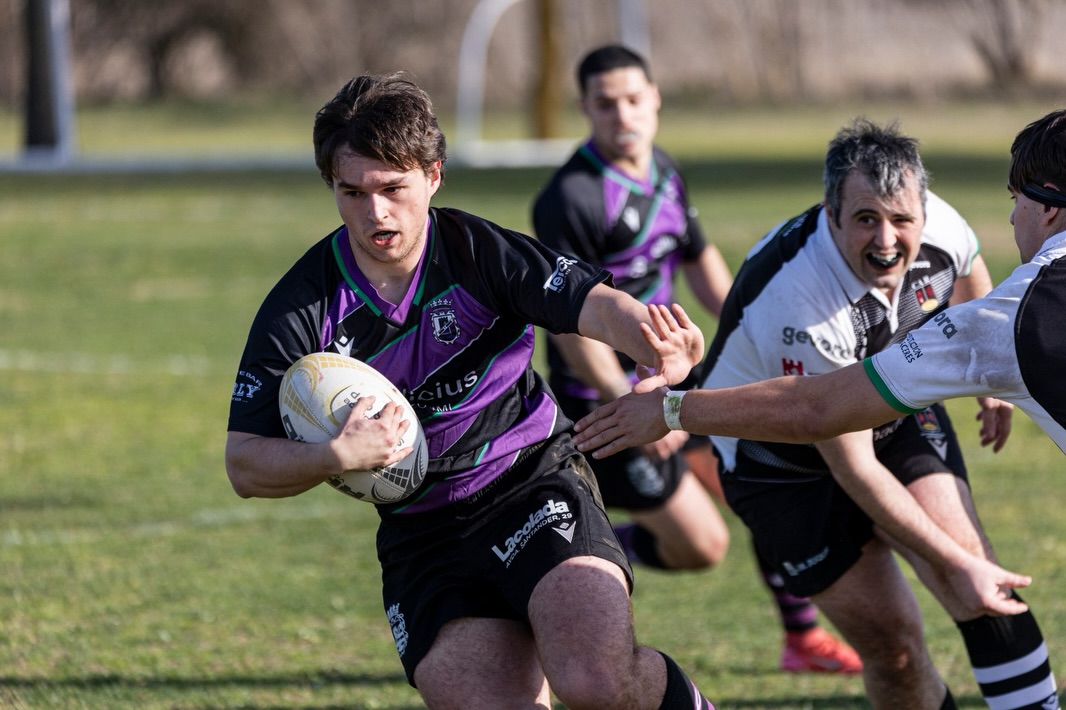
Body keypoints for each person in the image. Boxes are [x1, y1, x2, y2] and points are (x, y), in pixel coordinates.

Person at [225, 73, 715, 710]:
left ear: (433, 176)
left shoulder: (478, 252)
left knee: (597, 682)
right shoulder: (303, 305)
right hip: (423, 534)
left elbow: (596, 306)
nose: (375, 213)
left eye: (393, 188)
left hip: (532, 482)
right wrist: (334, 456)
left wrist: (656, 344)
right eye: (352, 192)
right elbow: (243, 463)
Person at [576, 118, 1061, 710]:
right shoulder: (797, 297)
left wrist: (987, 385)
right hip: (778, 463)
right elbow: (840, 447)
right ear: (829, 214)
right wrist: (955, 562)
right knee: (896, 647)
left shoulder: (942, 221)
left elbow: (969, 271)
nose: (887, 241)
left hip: (882, 416)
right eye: (865, 220)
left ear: (923, 211)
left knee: (984, 592)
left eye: (902, 221)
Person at [531, 43, 861, 675]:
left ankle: (802, 638)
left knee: (770, 467)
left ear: (655, 98)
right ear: (585, 110)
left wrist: (753, 332)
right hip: (605, 404)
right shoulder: (569, 198)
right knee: (701, 546)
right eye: (605, 105)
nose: (622, 115)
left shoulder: (664, 170)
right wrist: (628, 403)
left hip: (676, 380)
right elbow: (572, 327)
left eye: (633, 99)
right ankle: (561, 566)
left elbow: (703, 267)